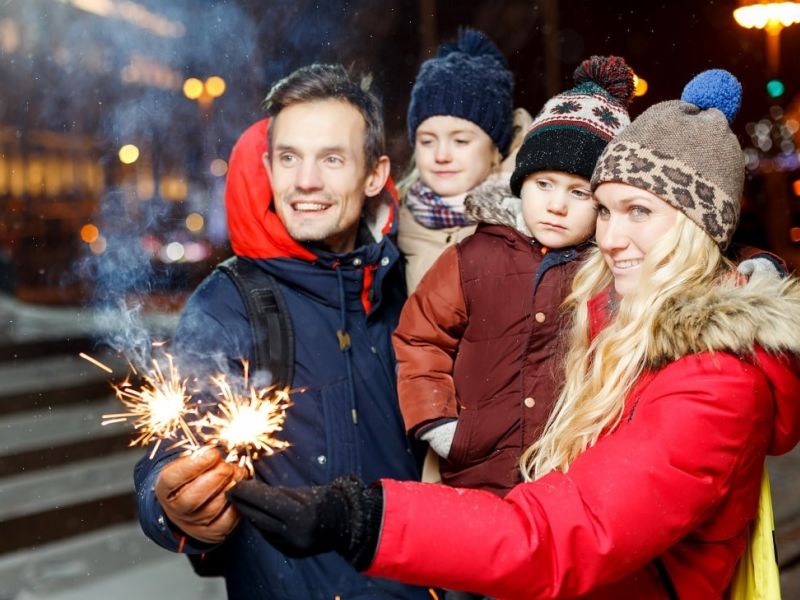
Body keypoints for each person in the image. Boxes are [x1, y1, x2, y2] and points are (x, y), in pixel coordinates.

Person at [229, 69, 800, 599]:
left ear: (698, 223)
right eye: (603, 210)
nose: (611, 237)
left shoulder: (717, 383)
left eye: (639, 212)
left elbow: (561, 536)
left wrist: (366, 518)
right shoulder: (624, 314)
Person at [133, 64, 433, 600]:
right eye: (289, 158)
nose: (306, 181)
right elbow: (171, 452)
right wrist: (172, 510)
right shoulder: (231, 303)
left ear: (373, 174)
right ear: (268, 167)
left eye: (332, 159)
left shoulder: (407, 286)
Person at [395, 56, 635, 497]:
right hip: (475, 473)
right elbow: (420, 337)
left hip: (567, 480)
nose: (557, 205)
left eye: (578, 192)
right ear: (521, 183)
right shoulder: (474, 256)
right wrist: (440, 424)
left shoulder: (610, 266)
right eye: (543, 184)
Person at [398, 27, 529, 294]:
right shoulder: (394, 223)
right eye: (427, 141)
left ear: (495, 149)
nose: (441, 156)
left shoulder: (529, 217)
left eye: (460, 141)